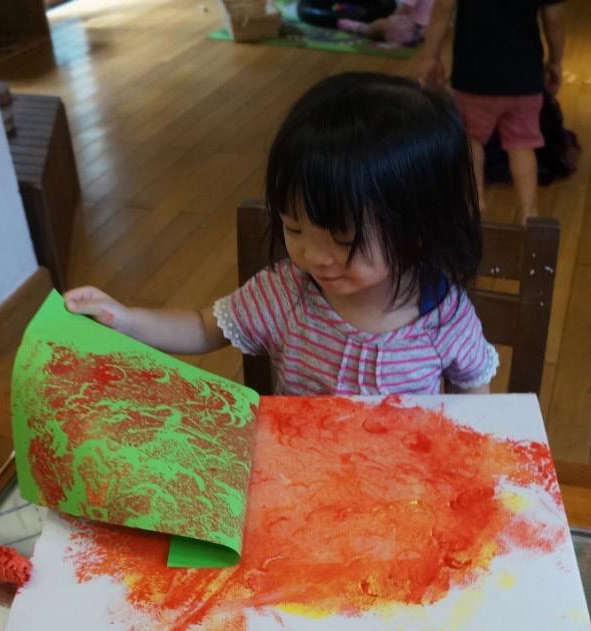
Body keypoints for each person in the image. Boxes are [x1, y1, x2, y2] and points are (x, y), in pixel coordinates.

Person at [65, 72, 498, 396]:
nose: (313, 255)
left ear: (418, 228)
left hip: (402, 481)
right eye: (294, 227)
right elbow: (202, 327)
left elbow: (475, 391)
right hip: (298, 474)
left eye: (343, 239)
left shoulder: (443, 316)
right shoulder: (285, 295)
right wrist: (127, 319)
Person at [418, 0, 566, 217]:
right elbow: (554, 17)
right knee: (523, 145)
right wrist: (555, 61)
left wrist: (431, 56)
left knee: (472, 140)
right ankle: (529, 214)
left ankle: (475, 204)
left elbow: (443, 6)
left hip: (474, 76)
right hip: (524, 76)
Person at [336, 0, 435, 48]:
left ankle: (355, 26)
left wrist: (390, 20)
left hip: (407, 29)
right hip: (423, 31)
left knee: (375, 26)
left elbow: (405, 9)